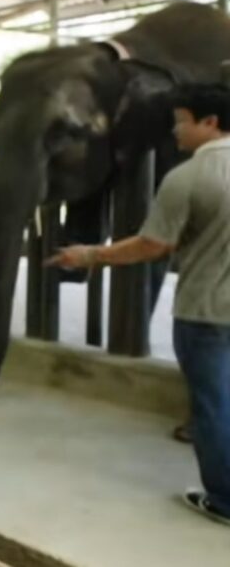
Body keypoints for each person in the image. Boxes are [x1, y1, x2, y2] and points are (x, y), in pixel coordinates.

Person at [48, 83, 230, 527]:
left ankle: (225, 500)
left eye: (181, 122)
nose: (175, 132)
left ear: (209, 123)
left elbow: (152, 245)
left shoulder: (188, 177)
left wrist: (91, 254)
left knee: (215, 407)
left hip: (206, 311)